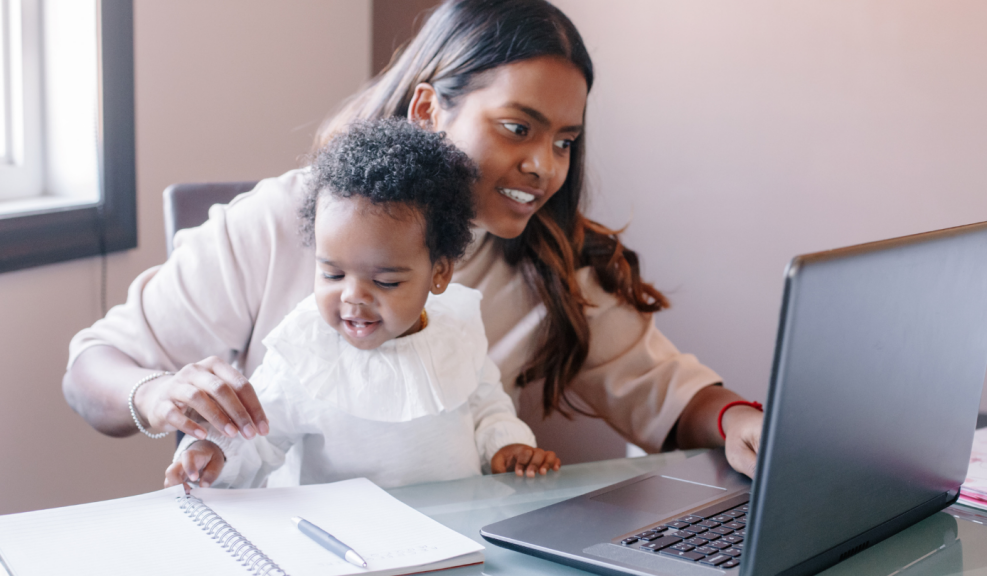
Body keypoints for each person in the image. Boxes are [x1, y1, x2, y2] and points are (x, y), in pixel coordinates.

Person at [63, 0, 764, 479]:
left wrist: (735, 420)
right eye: (518, 128)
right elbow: (92, 369)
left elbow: (664, 392)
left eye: (565, 141)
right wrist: (156, 395)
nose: (544, 167)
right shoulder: (282, 219)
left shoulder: (547, 262)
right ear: (430, 107)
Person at [164, 119, 559, 489]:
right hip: (342, 546)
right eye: (332, 275)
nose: (352, 296)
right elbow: (255, 438)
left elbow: (486, 404)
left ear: (439, 273)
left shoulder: (457, 328)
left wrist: (506, 446)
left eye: (385, 280)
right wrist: (212, 454)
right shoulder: (305, 352)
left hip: (453, 533)